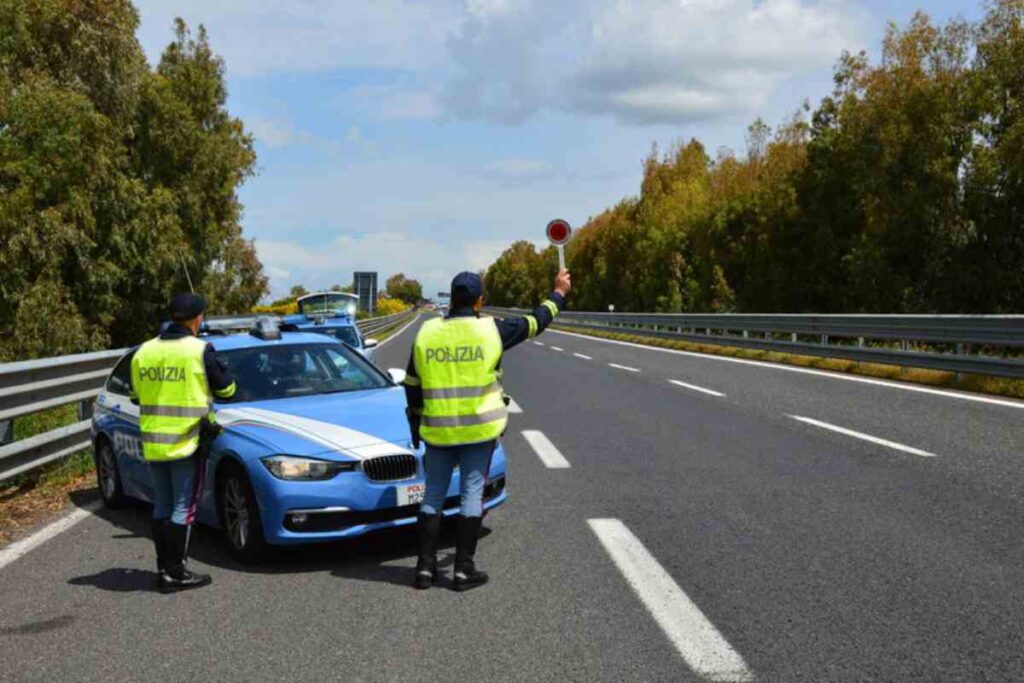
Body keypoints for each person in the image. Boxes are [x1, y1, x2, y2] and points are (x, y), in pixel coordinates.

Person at [403, 269, 571, 591]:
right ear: (479, 302)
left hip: (438, 432)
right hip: (478, 432)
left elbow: (411, 384)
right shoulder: (491, 330)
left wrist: (417, 420)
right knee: (471, 495)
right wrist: (559, 293)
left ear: (451, 300)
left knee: (432, 496)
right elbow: (536, 322)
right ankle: (463, 570)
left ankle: (424, 569)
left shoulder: (427, 333)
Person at [130, 293, 236, 593]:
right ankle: (176, 573)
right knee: (183, 507)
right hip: (187, 441)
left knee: (162, 505)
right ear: (197, 319)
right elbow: (227, 390)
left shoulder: (144, 351)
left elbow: (136, 396)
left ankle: (164, 569)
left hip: (154, 442)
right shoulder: (199, 350)